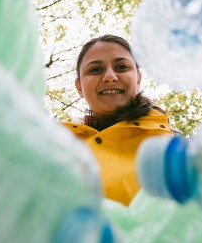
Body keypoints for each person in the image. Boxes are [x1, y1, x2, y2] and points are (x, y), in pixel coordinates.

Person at [61, 34, 174, 206]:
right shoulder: (60, 146)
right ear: (79, 87)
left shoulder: (167, 146)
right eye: (95, 69)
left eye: (121, 67)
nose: (110, 76)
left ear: (138, 79)